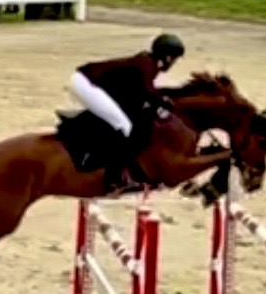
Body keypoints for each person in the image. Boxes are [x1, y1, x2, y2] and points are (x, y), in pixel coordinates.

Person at [69, 33, 185, 190]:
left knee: (126, 119)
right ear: (168, 57)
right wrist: (164, 102)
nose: (174, 63)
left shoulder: (147, 62)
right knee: (124, 126)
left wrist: (160, 102)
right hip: (85, 83)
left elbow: (141, 93)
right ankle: (112, 178)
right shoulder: (146, 64)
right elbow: (148, 91)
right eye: (174, 59)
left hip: (88, 81)